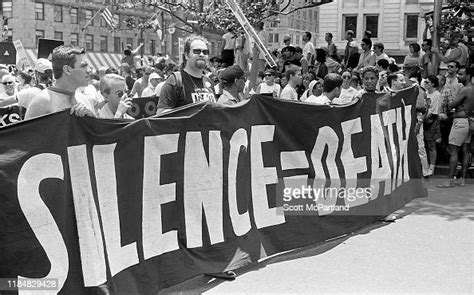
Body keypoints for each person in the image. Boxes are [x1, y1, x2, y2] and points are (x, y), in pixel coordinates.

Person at [25, 45, 93, 119]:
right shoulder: (42, 101)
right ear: (67, 70)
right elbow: (26, 130)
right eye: (83, 66)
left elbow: (96, 130)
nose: (89, 70)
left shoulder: (84, 99)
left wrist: (91, 118)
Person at [157, 35, 216, 114]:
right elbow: (161, 114)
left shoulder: (208, 81)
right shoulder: (175, 80)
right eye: (197, 51)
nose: (202, 54)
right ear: (186, 55)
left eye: (205, 52)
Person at [437, 66, 474, 187]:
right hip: (469, 120)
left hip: (460, 121)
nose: (458, 76)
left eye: (461, 74)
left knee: (453, 151)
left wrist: (451, 98)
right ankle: (462, 179)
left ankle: (450, 180)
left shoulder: (465, 89)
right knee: (465, 149)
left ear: (468, 76)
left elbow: (451, 104)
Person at [423, 75, 442, 176]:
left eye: (427, 82)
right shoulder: (425, 94)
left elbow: (433, 109)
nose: (425, 84)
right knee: (425, 144)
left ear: (433, 84)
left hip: (432, 119)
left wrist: (425, 117)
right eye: (425, 82)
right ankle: (425, 165)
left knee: (432, 145)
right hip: (424, 120)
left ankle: (432, 166)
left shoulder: (437, 95)